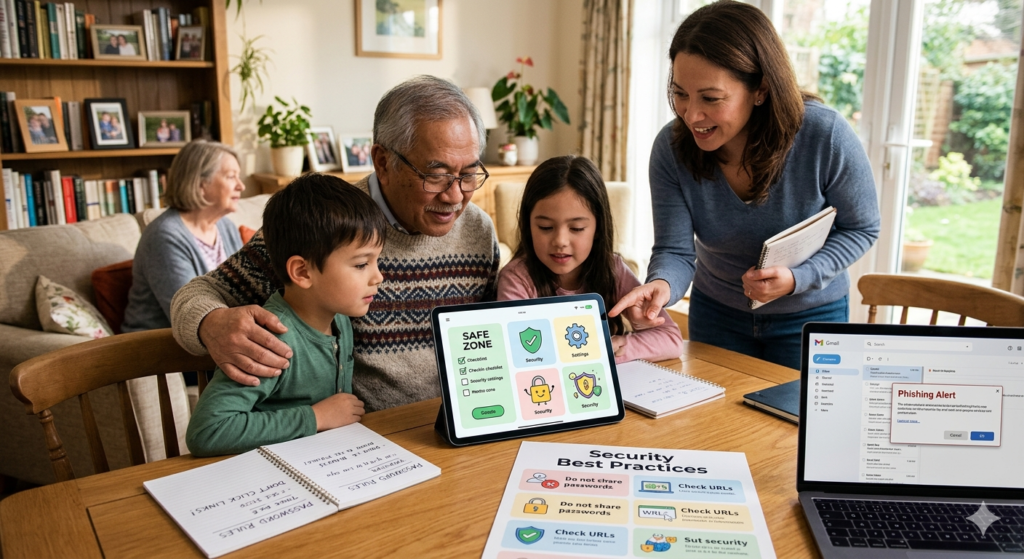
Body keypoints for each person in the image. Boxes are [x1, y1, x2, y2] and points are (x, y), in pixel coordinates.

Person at [170, 75, 499, 412]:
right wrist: (211, 323)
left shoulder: (477, 230)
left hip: (454, 425)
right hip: (362, 435)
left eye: (469, 174)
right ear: (383, 162)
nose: (456, 195)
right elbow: (194, 295)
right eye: (436, 175)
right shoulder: (324, 223)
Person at [609, 0, 880, 370]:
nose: (691, 115)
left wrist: (798, 279)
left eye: (711, 98)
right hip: (717, 314)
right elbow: (674, 250)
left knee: (796, 426)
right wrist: (661, 286)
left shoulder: (824, 135)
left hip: (810, 317)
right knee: (717, 426)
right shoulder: (671, 148)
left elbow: (862, 227)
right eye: (680, 93)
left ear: (761, 89)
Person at [186, 175, 385, 456]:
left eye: (377, 261)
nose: (379, 276)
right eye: (362, 264)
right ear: (302, 272)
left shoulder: (339, 320)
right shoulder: (270, 339)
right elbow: (207, 431)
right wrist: (315, 418)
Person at [497, 155, 683, 364]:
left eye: (576, 229)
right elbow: (516, 351)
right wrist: (595, 351)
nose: (560, 241)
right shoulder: (517, 279)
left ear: (597, 229)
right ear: (528, 226)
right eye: (545, 227)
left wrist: (623, 345)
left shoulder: (613, 269)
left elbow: (672, 339)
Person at [121, 141, 244, 334]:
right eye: (231, 177)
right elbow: (189, 315)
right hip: (158, 348)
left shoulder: (226, 227)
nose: (241, 186)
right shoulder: (164, 236)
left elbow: (245, 290)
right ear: (201, 184)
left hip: (217, 338)